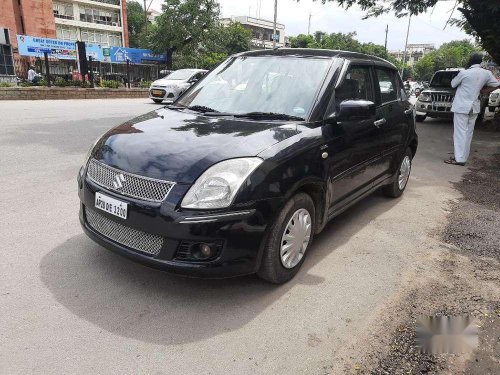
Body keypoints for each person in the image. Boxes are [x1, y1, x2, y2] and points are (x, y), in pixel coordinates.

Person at [445, 53, 499, 166]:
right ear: (480, 62)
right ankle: (462, 157)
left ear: (471, 61)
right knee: (469, 132)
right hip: (474, 106)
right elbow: (497, 84)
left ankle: (459, 159)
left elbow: (453, 84)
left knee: (460, 133)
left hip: (461, 106)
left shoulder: (464, 72)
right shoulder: (486, 73)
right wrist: (484, 91)